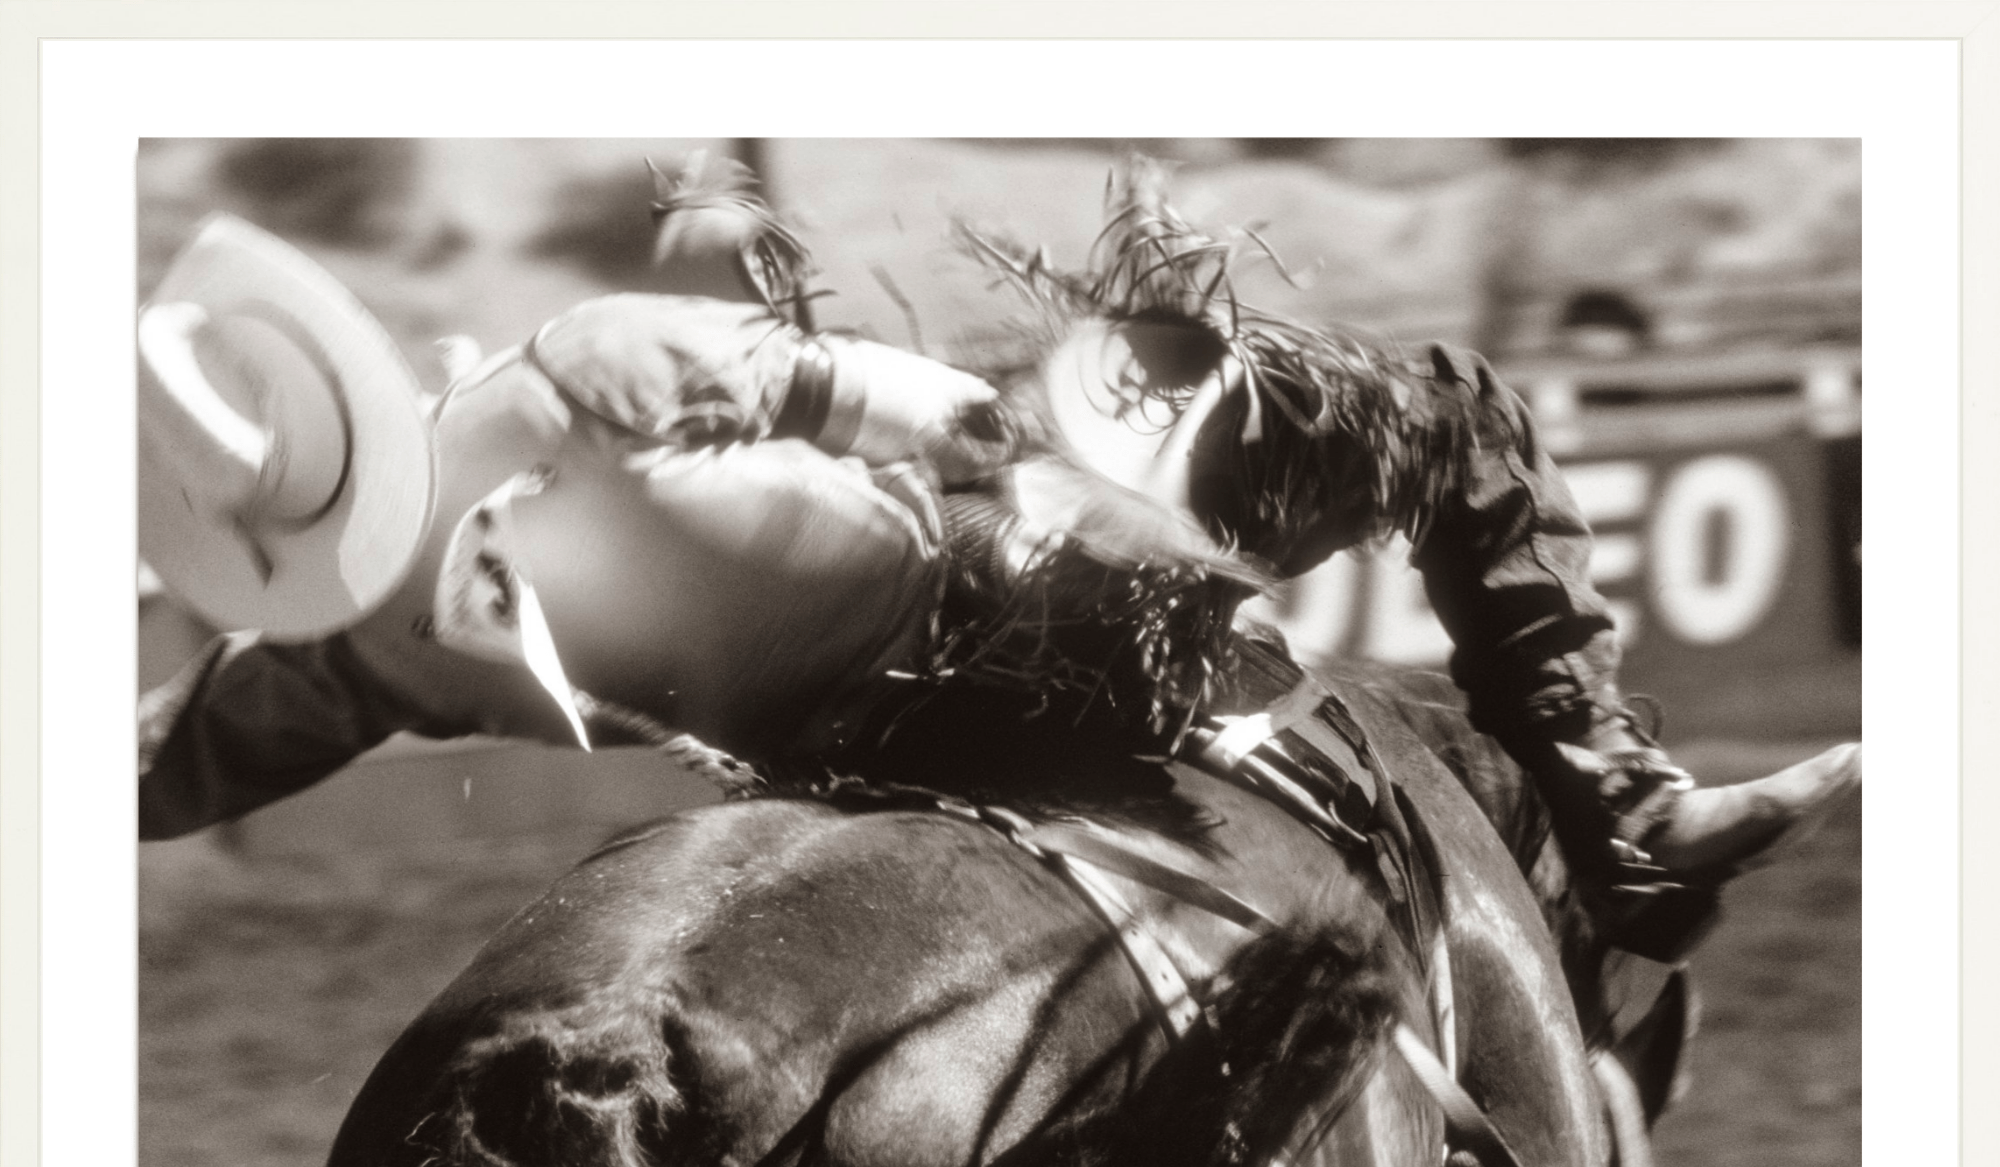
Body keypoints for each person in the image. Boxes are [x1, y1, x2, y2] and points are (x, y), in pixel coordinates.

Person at [138, 156, 1857, 898]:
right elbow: (912, 411)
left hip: (852, 772)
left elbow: (140, 776)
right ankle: (1625, 814)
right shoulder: (580, 369)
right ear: (366, 382)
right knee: (1457, 410)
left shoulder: (337, 667)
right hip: (1039, 602)